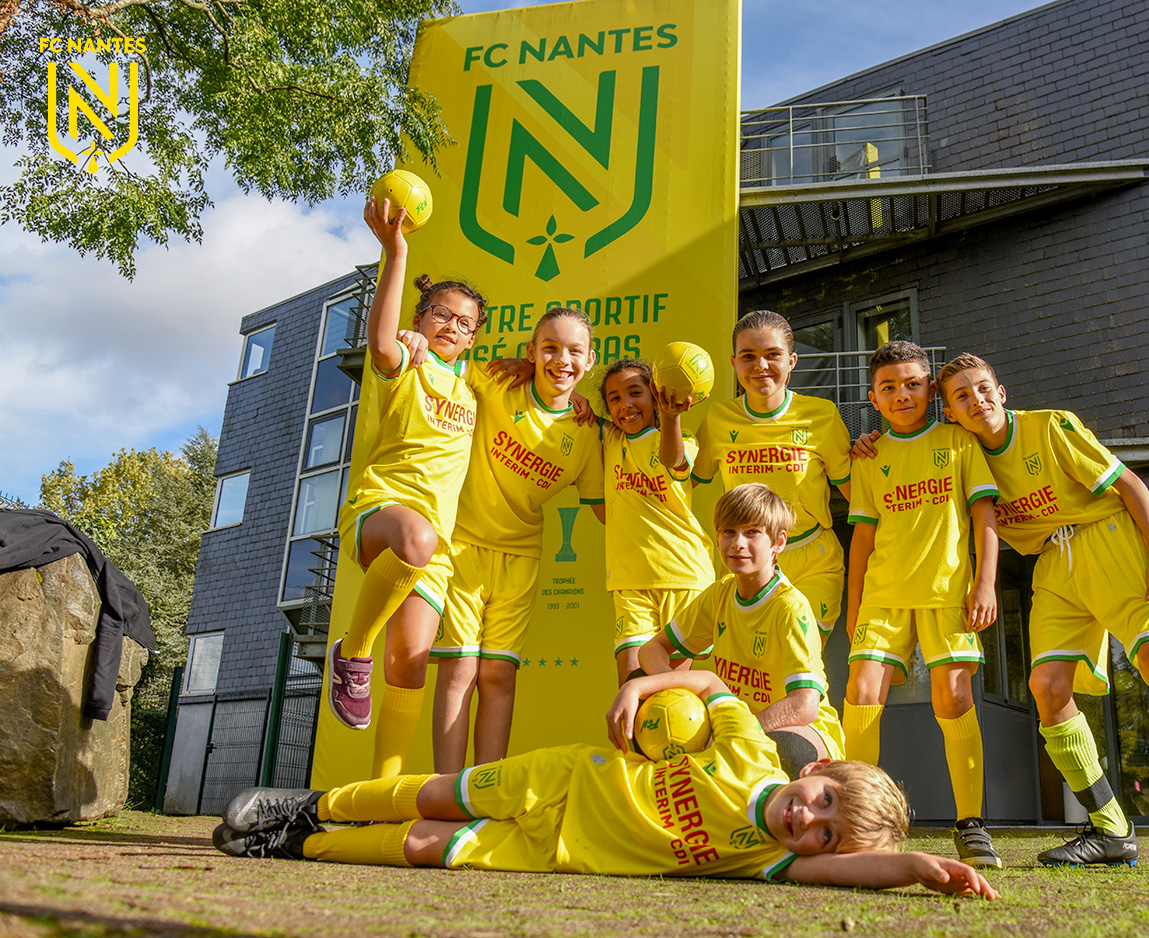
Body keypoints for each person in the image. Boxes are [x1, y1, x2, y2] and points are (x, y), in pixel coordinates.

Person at [211, 671, 998, 899]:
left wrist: (924, 867)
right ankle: (310, 802)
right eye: (824, 802)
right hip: (565, 775)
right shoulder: (753, 753)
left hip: (559, 852)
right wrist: (642, 689)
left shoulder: (760, 859)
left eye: (825, 833)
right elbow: (714, 683)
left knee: (423, 847)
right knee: (436, 794)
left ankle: (298, 845)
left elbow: (856, 866)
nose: (810, 821)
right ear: (816, 770)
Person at [935, 352, 1149, 874]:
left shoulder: (1050, 426)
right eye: (962, 396)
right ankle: (1111, 829)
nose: (978, 400)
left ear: (1002, 390)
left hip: (1107, 537)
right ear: (949, 412)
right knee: (1047, 689)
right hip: (1051, 563)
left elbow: (1129, 484)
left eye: (984, 387)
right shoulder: (961, 454)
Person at [326, 198, 484, 780]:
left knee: (411, 664)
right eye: (441, 314)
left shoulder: (472, 393)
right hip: (382, 514)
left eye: (465, 323)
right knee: (416, 538)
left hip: (433, 553)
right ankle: (354, 651)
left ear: (472, 340)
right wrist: (396, 252)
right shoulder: (404, 363)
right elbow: (381, 341)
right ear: (421, 320)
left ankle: (381, 795)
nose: (452, 326)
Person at [842, 341, 1002, 869]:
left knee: (953, 700)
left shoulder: (959, 442)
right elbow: (862, 542)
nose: (902, 394)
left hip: (946, 595)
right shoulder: (868, 457)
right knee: (861, 693)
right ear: (873, 398)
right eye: (889, 387)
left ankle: (971, 824)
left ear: (932, 391)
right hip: (884, 597)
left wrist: (985, 584)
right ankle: (855, 822)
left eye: (912, 383)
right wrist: (854, 604)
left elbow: (984, 519)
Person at [428, 306, 606, 773]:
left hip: (521, 554)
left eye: (574, 351)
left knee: (498, 674)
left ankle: (484, 793)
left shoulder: (588, 433)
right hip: (462, 544)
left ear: (591, 360)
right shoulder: (498, 381)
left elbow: (607, 507)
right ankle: (447, 791)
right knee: (458, 670)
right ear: (531, 352)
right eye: (549, 348)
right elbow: (442, 362)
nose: (561, 359)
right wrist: (411, 338)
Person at [638, 484, 845, 776]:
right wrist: (676, 694)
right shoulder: (721, 594)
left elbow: (804, 705)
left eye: (751, 532)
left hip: (798, 728)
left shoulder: (790, 607)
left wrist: (737, 731)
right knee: (650, 706)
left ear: (778, 543)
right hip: (733, 723)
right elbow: (651, 649)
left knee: (784, 751)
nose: (737, 543)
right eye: (728, 532)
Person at [690, 311, 852, 640]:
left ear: (792, 361)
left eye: (772, 355)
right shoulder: (719, 418)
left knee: (799, 662)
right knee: (755, 672)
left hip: (812, 560)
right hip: (746, 558)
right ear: (734, 363)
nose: (760, 366)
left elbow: (859, 495)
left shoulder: (822, 416)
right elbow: (679, 482)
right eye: (748, 356)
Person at [598, 358, 716, 684]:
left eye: (635, 393)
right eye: (615, 398)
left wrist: (671, 417)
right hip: (629, 582)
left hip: (682, 576)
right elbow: (564, 405)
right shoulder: (610, 440)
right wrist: (527, 366)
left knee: (667, 691)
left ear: (654, 396)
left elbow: (673, 460)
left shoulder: (683, 439)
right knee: (632, 685)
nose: (626, 404)